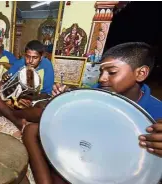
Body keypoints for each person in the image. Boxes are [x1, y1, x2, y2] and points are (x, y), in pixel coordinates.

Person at [22, 42, 162, 184]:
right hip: (84, 147)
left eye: (112, 72)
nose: (102, 78)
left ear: (141, 73)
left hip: (112, 166)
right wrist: (65, 98)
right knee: (32, 130)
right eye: (101, 72)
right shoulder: (97, 90)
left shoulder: (156, 113)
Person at [0, 40, 55, 130]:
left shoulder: (47, 65)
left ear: (41, 57)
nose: (30, 61)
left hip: (35, 98)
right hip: (15, 96)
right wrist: (5, 77)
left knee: (43, 112)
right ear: (25, 55)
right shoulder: (21, 62)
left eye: (35, 57)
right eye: (28, 56)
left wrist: (29, 98)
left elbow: (47, 93)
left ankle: (4, 112)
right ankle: (15, 120)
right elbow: (7, 78)